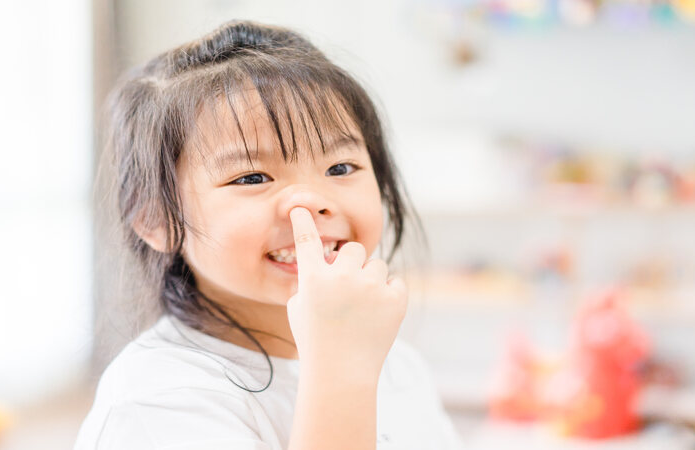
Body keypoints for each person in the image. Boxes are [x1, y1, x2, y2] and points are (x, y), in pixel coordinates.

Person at [75, 20, 462, 450]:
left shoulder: (396, 363)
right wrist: (340, 367)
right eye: (252, 176)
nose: (310, 202)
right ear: (155, 221)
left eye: (340, 168)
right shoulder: (157, 400)